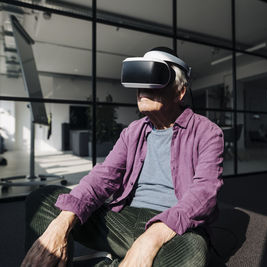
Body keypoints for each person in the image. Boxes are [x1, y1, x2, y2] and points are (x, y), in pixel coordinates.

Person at [21, 47, 224, 267]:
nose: (142, 89)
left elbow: (205, 194)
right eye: (140, 81)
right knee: (42, 200)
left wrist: (152, 238)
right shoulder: (133, 132)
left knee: (191, 255)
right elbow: (102, 177)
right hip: (123, 218)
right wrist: (61, 223)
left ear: (180, 92)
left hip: (172, 228)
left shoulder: (207, 132)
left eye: (154, 80)